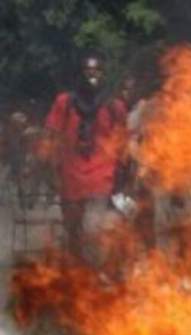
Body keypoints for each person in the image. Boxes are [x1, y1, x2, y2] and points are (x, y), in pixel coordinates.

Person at [42, 53, 128, 266]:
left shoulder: (115, 106)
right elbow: (51, 137)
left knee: (92, 228)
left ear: (103, 74)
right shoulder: (64, 102)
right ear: (80, 74)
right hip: (70, 179)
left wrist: (123, 173)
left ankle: (92, 275)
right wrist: (49, 169)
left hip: (100, 178)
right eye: (88, 70)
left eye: (97, 70)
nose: (92, 74)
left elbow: (122, 142)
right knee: (73, 232)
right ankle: (77, 274)